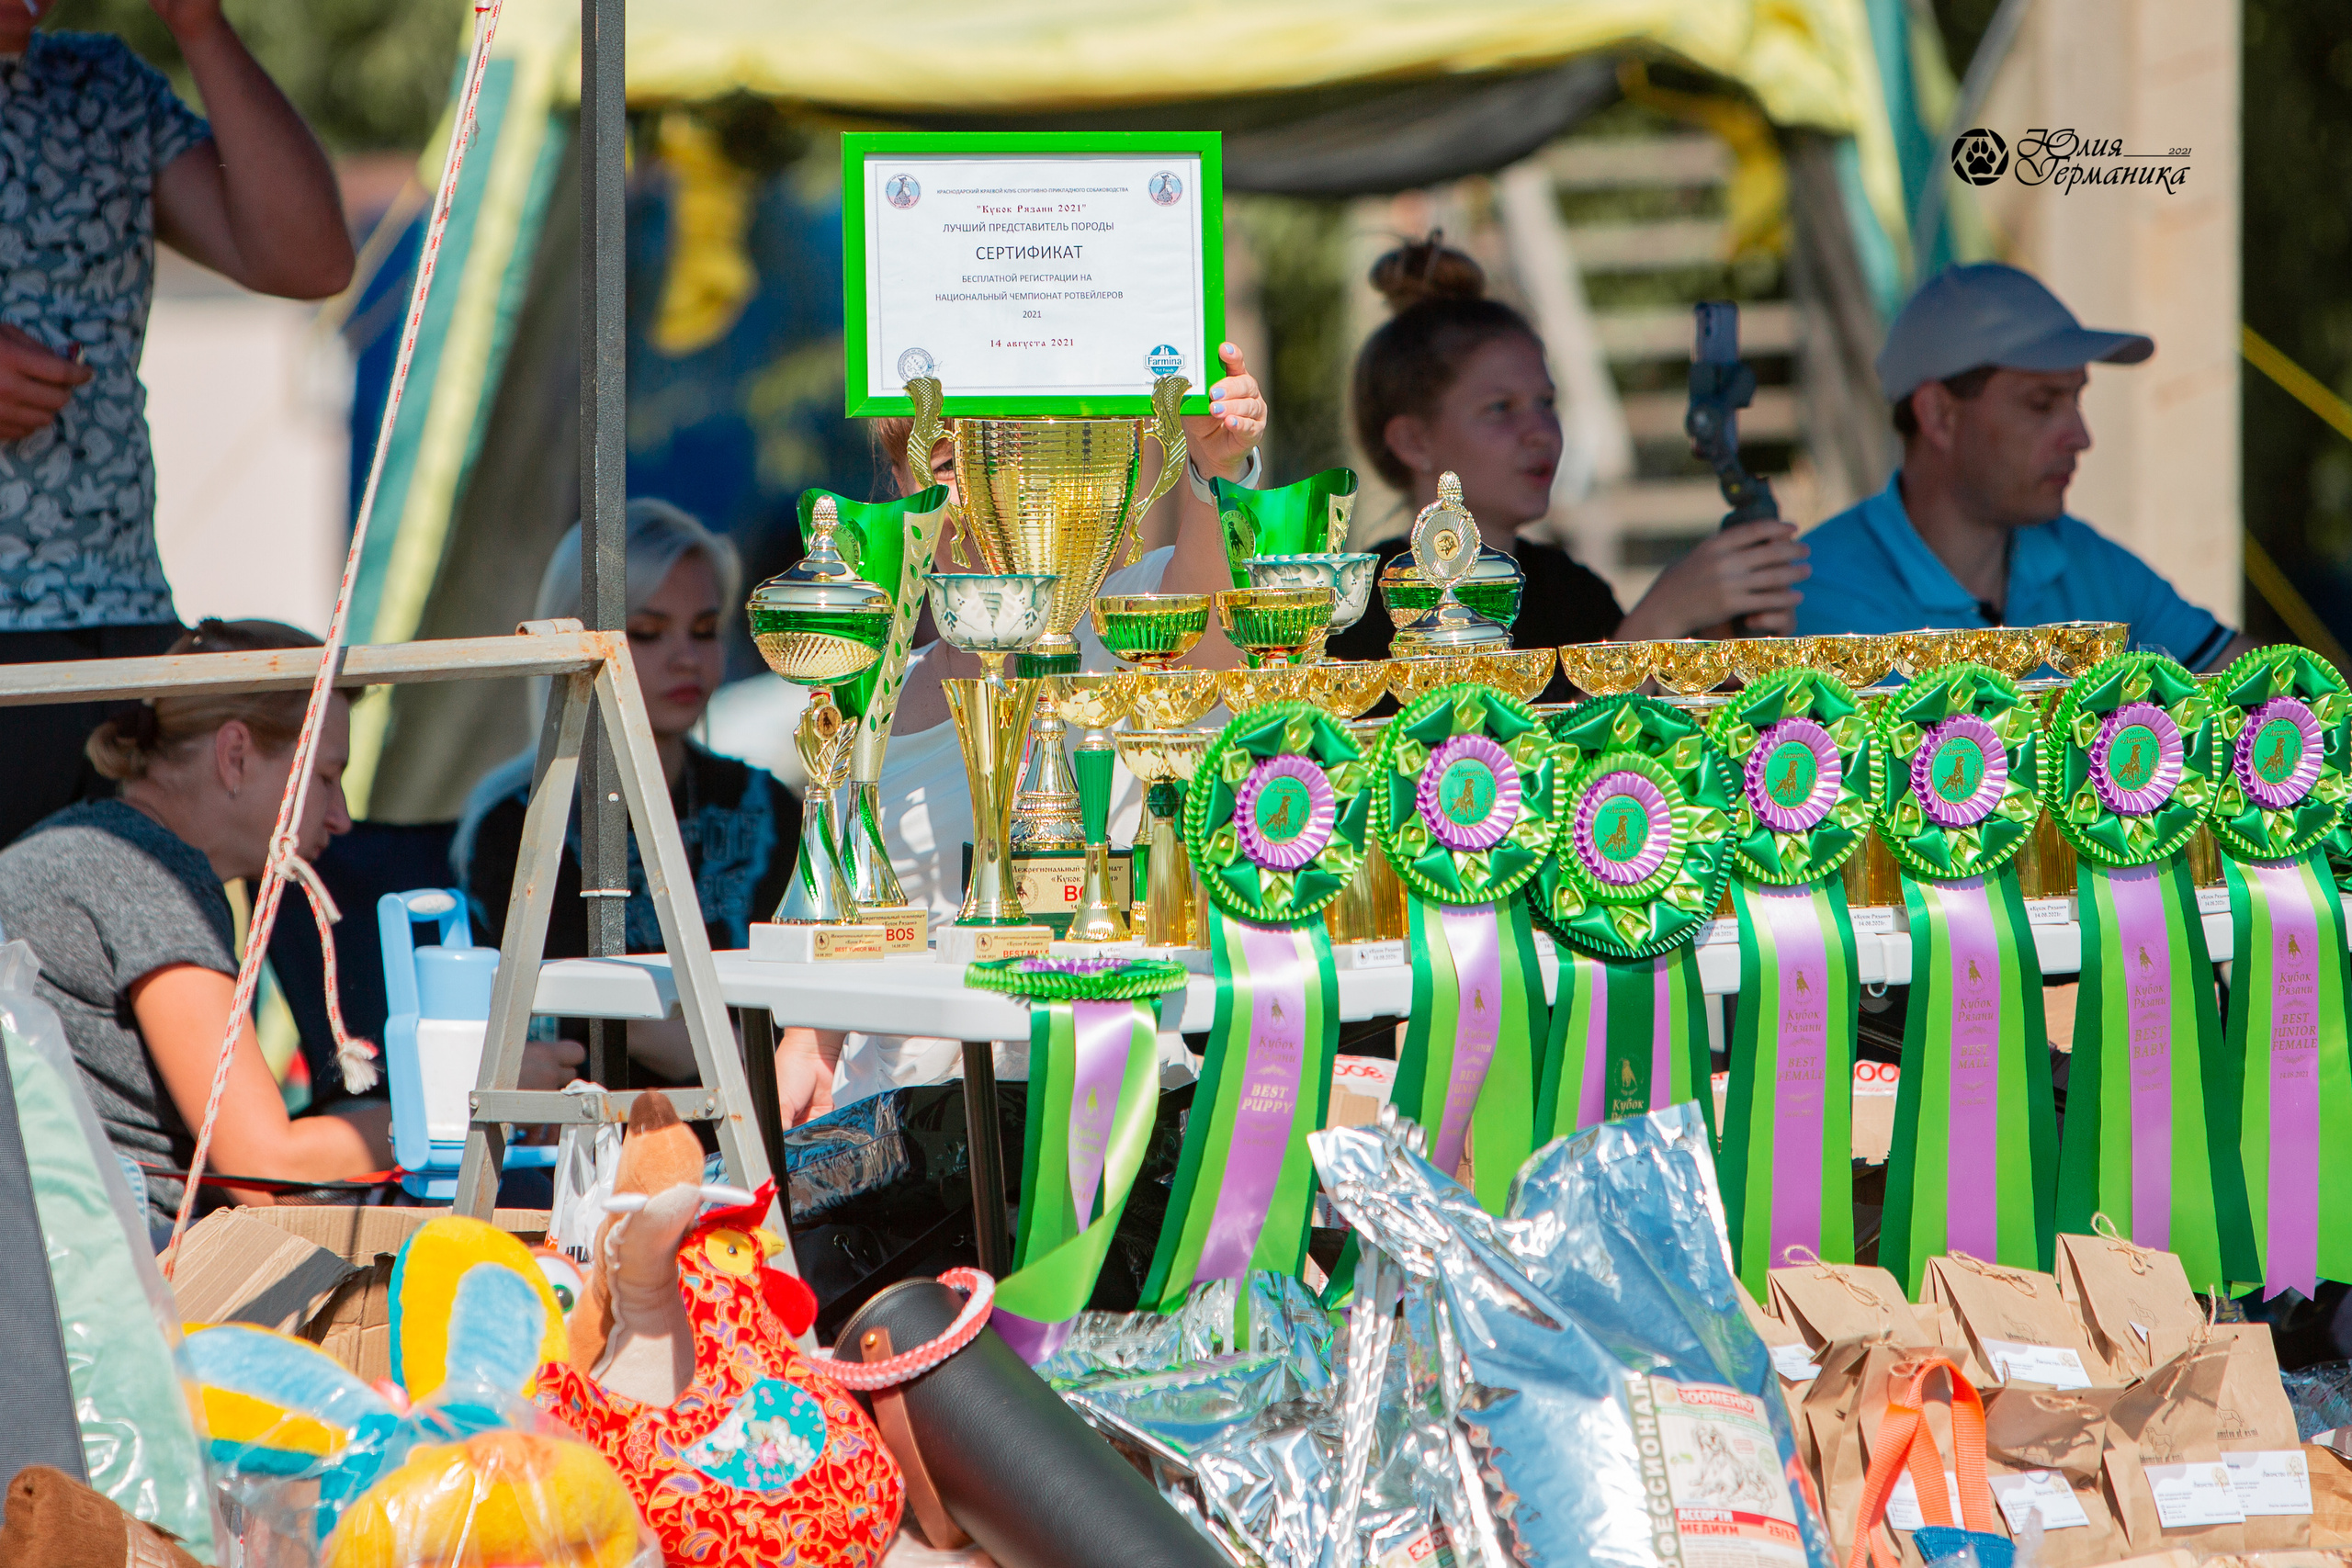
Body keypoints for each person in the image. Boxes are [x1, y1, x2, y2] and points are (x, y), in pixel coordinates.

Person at [0, 0, 356, 849]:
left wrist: (199, 24)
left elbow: (310, 259)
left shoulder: (103, 83)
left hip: (124, 640)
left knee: (157, 951)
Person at [0, 622, 390, 1222]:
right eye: (325, 777)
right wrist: (460, 1102)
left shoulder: (89, 845)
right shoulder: (146, 874)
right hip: (131, 1285)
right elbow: (264, 1167)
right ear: (234, 756)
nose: (340, 818)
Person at [1326, 237, 1811, 692]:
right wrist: (1658, 620)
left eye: (1547, 403)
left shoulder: (1572, 591)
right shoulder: (1365, 607)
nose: (1541, 431)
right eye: (1501, 408)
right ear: (1413, 441)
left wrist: (1722, 645)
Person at [456, 500, 807, 1091]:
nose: (685, 657)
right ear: (574, 639)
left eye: (704, 630)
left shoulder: (766, 803)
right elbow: (590, 1015)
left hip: (770, 1135)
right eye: (645, 633)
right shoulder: (519, 819)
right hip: (587, 1146)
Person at [1793, 263, 2253, 670]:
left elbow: (2278, 698)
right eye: (2040, 404)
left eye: (2076, 398)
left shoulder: (2091, 564)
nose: (2082, 437)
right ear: (1938, 415)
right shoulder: (1808, 597)